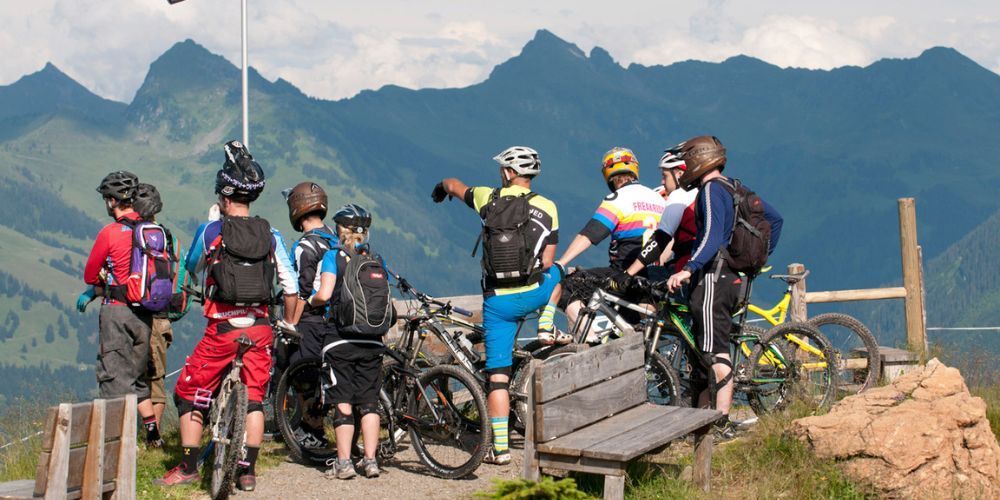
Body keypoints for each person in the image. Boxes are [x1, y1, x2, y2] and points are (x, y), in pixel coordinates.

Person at [156, 141, 299, 491]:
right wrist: (290, 324)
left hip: (223, 328)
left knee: (190, 390)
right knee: (253, 398)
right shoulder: (272, 235)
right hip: (261, 328)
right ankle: (247, 469)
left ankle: (189, 467)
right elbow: (291, 288)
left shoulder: (211, 232)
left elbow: (191, 266)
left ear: (223, 197)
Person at [432, 146, 562, 466]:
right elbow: (546, 261)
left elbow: (452, 183)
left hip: (497, 303)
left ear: (507, 173)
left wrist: (441, 190)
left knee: (498, 378)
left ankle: (500, 450)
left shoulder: (486, 198)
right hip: (532, 293)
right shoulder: (547, 206)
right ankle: (546, 322)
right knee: (559, 272)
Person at [664, 136, 783, 437]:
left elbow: (712, 237)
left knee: (715, 352)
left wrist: (689, 269)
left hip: (713, 279)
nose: (683, 167)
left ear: (698, 159)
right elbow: (775, 220)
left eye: (686, 160)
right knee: (713, 348)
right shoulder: (736, 187)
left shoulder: (710, 190)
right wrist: (752, 260)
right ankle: (711, 418)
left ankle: (721, 422)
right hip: (733, 279)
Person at [538, 147, 666, 342]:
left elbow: (591, 234)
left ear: (608, 176)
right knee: (633, 329)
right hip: (654, 275)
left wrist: (561, 262)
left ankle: (591, 343)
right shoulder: (659, 199)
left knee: (566, 288)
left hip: (623, 273)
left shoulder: (619, 198)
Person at [308, 204, 389, 480]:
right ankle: (370, 461)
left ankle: (343, 463)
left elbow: (325, 293)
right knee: (369, 402)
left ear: (340, 230)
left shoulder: (333, 257)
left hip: (340, 339)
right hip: (372, 341)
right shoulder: (376, 260)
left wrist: (311, 299)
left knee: (342, 401)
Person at [81, 171, 160, 446]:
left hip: (117, 311)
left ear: (112, 201)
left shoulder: (111, 232)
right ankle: (152, 438)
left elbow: (90, 275)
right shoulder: (152, 230)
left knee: (114, 380)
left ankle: (116, 448)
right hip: (145, 314)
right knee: (137, 378)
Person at [284, 181, 338, 449]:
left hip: (312, 319)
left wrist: (291, 323)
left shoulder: (305, 247)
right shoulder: (335, 238)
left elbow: (301, 291)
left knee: (305, 377)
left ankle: (313, 432)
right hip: (336, 319)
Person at [621, 145, 699, 283]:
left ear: (679, 174)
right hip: (711, 273)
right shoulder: (702, 193)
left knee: (636, 282)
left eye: (665, 175)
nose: (663, 182)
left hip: (686, 272)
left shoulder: (680, 195)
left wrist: (628, 273)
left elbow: (660, 240)